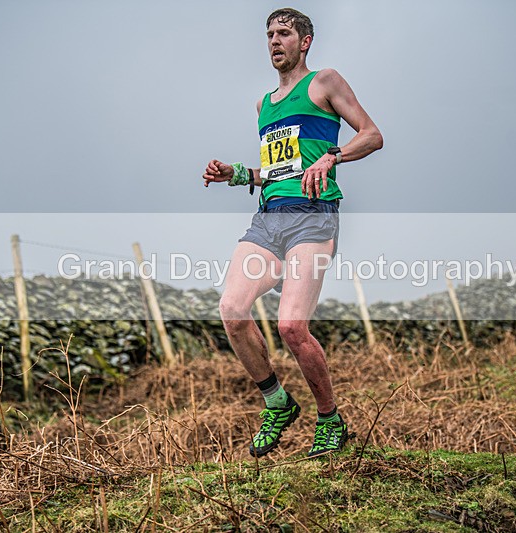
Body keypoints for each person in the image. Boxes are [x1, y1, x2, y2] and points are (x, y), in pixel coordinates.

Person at [202, 8, 382, 457]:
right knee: (232, 309)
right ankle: (277, 402)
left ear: (305, 42)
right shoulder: (264, 104)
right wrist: (238, 174)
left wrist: (333, 158)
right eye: (269, 35)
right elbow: (279, 170)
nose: (274, 41)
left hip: (314, 217)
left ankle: (330, 420)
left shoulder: (324, 82)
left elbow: (373, 134)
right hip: (269, 218)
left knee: (291, 327)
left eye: (284, 33)